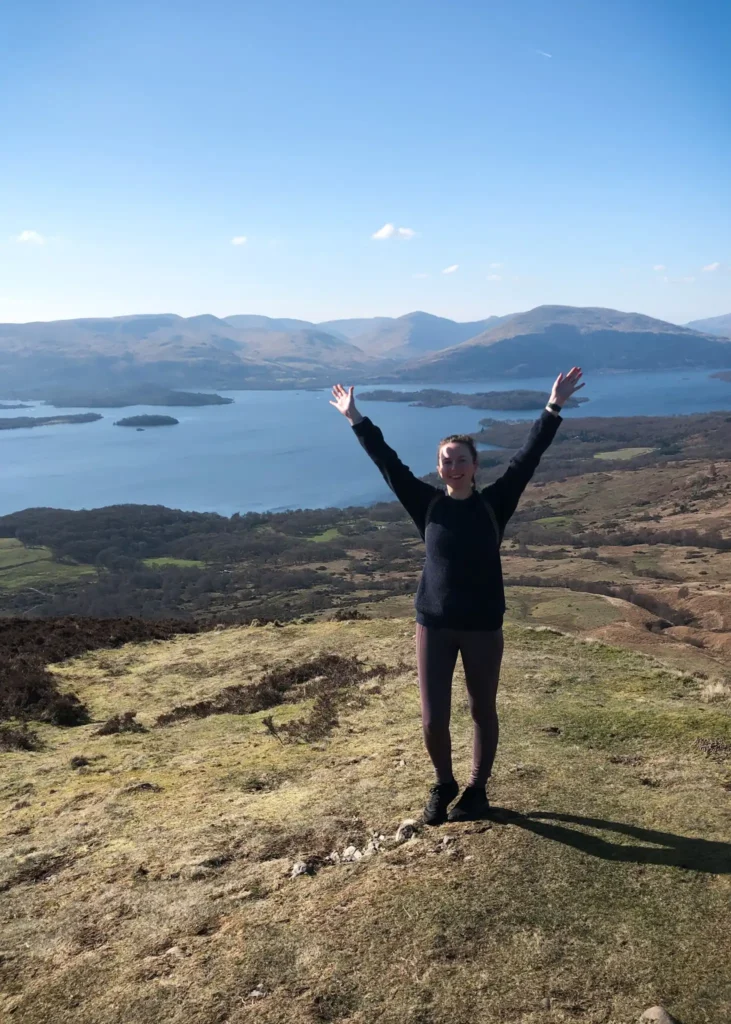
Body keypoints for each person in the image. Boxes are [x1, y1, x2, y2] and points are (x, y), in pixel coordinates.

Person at [330, 368, 584, 824]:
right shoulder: (427, 504)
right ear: (440, 466)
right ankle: (444, 782)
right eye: (446, 460)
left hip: (484, 624)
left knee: (481, 709)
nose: (453, 467)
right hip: (433, 623)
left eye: (461, 459)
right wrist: (355, 418)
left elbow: (528, 457)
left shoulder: (495, 503)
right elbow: (387, 463)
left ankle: (476, 790)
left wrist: (553, 406)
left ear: (474, 465)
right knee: (432, 718)